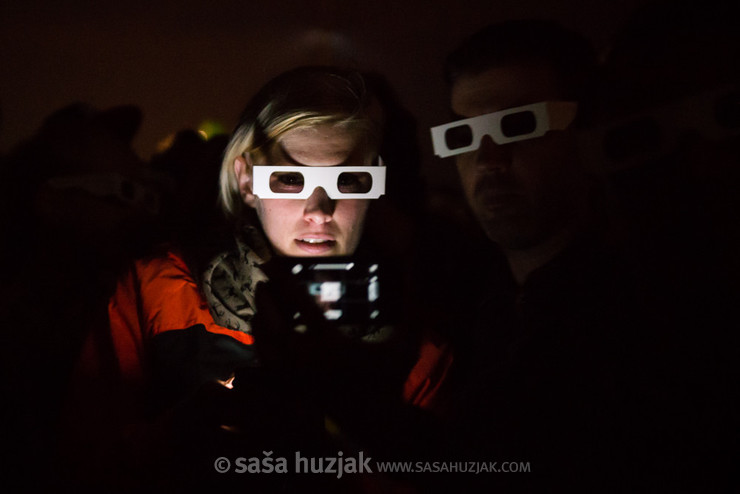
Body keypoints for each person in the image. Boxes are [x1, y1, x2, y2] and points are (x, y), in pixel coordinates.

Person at [60, 66, 444, 493]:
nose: (319, 208)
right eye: (290, 179)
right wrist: (177, 434)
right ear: (246, 180)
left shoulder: (414, 323)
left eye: (348, 179)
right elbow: (77, 465)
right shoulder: (159, 289)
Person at [426, 20, 648, 491]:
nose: (487, 159)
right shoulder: (469, 304)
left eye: (517, 125)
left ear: (586, 134)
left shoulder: (647, 315)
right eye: (462, 135)